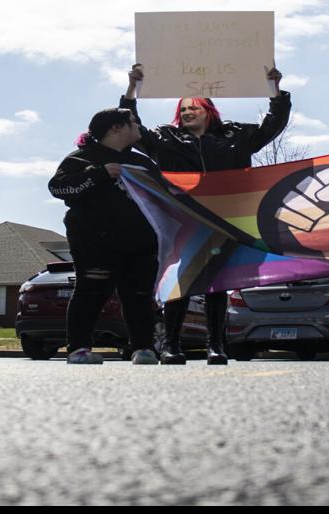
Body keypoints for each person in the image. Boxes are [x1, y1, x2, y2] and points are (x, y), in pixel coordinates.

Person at [120, 64, 291, 365]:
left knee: (217, 282)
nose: (186, 113)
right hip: (182, 221)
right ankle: (171, 345)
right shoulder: (165, 139)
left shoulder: (235, 135)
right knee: (181, 281)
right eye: (182, 109)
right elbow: (131, 128)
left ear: (208, 110)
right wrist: (133, 87)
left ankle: (216, 345)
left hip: (224, 220)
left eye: (193, 107)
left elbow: (272, 125)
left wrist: (274, 89)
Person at [48, 109, 162, 366]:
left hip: (141, 244)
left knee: (140, 296)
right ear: (116, 128)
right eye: (134, 123)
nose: (139, 128)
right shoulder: (81, 159)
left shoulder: (144, 163)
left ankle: (143, 348)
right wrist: (100, 174)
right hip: (94, 244)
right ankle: (78, 348)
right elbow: (57, 187)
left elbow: (165, 197)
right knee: (90, 293)